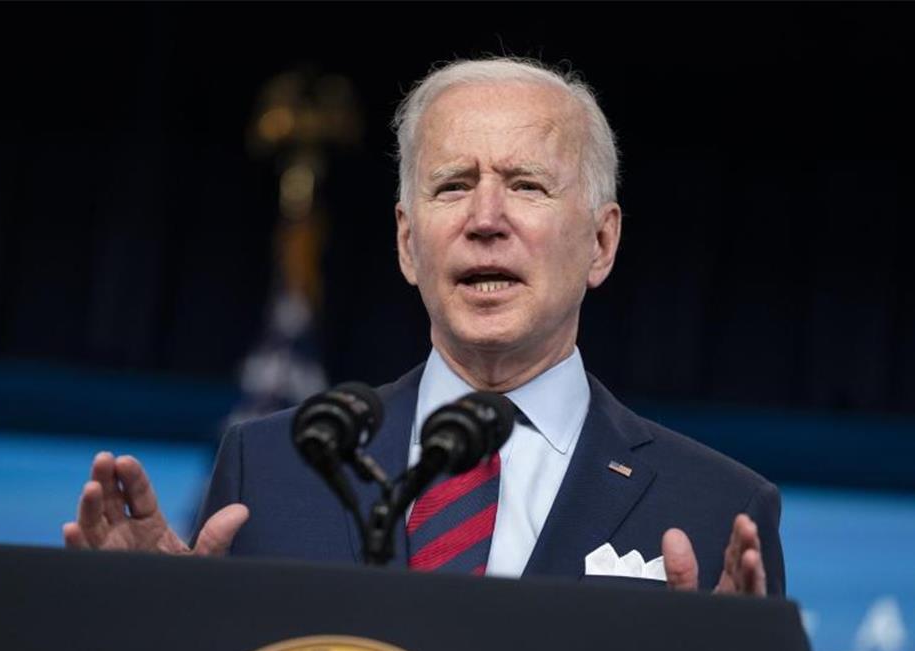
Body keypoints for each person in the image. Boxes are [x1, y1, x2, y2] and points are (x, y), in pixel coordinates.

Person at [63, 57, 783, 596]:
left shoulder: (718, 507)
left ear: (601, 242)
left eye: (526, 184)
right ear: (409, 243)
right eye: (453, 185)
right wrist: (152, 618)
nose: (485, 220)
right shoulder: (270, 467)